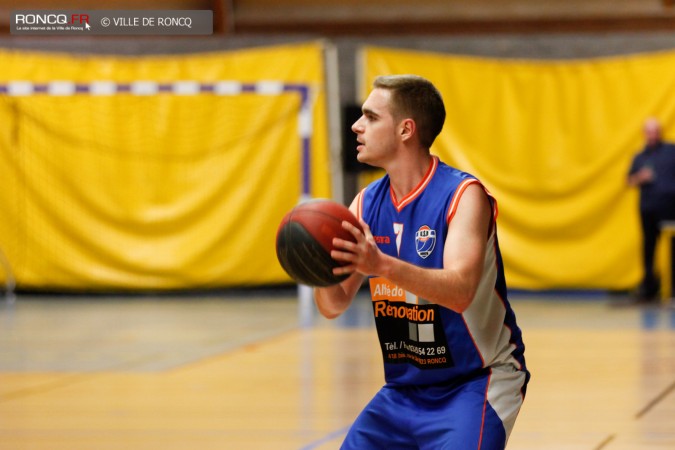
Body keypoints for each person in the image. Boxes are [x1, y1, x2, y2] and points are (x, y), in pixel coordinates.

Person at [314, 75, 529, 449]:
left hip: (475, 383)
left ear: (405, 130)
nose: (356, 125)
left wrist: (382, 265)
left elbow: (460, 292)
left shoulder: (463, 195)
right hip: (403, 390)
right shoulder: (365, 203)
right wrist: (314, 265)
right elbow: (333, 305)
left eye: (371, 117)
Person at [627, 118, 675, 302]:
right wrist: (640, 177)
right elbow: (628, 181)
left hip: (670, 207)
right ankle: (649, 287)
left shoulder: (671, 151)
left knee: (673, 247)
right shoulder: (640, 157)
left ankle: (673, 288)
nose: (652, 135)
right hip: (648, 208)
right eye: (649, 131)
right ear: (644, 134)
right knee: (649, 246)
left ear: (660, 132)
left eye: (655, 131)